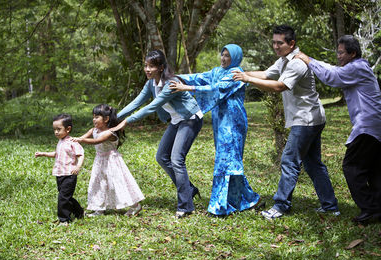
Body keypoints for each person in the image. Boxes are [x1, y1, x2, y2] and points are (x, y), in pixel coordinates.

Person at [233, 25, 339, 220]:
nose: (275, 46)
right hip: (312, 118)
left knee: (289, 161)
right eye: (273, 42)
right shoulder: (283, 61)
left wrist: (247, 78)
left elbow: (279, 86)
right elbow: (265, 74)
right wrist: (239, 73)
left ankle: (281, 206)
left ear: (291, 43)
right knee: (314, 164)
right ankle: (330, 205)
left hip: (306, 120)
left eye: (279, 43)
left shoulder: (297, 63)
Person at [295, 35, 381, 223]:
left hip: (368, 126)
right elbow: (333, 69)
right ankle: (376, 206)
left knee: (351, 167)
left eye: (341, 52)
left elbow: (331, 77)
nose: (338, 56)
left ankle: (371, 209)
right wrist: (312, 60)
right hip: (374, 124)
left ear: (352, 53)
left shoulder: (357, 68)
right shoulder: (356, 67)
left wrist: (308, 60)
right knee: (373, 168)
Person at [169, 44, 261, 216]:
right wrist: (175, 77)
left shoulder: (236, 74)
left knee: (225, 160)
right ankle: (247, 199)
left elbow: (216, 89)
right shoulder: (217, 71)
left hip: (233, 122)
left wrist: (186, 88)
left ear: (235, 58)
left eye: (228, 56)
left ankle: (220, 205)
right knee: (230, 160)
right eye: (222, 55)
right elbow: (199, 77)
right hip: (220, 122)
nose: (224, 59)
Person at [110, 50, 203, 218]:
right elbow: (137, 102)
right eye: (146, 66)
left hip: (190, 119)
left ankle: (186, 206)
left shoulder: (171, 83)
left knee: (176, 159)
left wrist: (127, 121)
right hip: (176, 120)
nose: (147, 69)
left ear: (161, 67)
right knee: (161, 157)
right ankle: (188, 189)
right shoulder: (151, 84)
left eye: (151, 66)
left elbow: (152, 106)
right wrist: (115, 118)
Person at [72, 104, 144, 217]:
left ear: (106, 119)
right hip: (100, 160)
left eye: (97, 117)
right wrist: (76, 140)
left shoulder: (109, 133)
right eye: (93, 117)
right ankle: (99, 208)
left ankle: (135, 206)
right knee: (98, 183)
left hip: (112, 161)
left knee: (117, 183)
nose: (94, 119)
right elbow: (84, 136)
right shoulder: (94, 130)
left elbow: (96, 141)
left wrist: (80, 140)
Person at [35, 114, 84, 226]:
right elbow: (57, 154)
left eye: (59, 129)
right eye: (54, 130)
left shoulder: (73, 142)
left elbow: (80, 155)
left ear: (68, 129)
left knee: (63, 197)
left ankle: (64, 219)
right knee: (66, 196)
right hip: (60, 173)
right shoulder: (60, 142)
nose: (56, 132)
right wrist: (44, 154)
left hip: (70, 174)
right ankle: (79, 211)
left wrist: (78, 166)